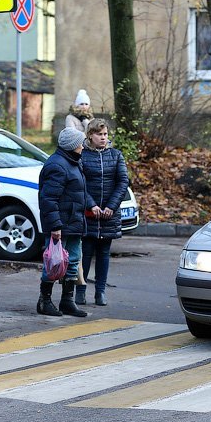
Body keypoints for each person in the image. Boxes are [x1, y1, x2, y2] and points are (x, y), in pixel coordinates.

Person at [36, 127, 89, 318]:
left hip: (74, 223)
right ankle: (44, 301)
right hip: (61, 225)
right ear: (72, 146)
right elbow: (48, 199)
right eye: (80, 143)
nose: (82, 146)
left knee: (73, 261)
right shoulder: (57, 166)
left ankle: (67, 301)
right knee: (53, 263)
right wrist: (55, 226)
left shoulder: (73, 162)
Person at [77, 119, 130, 307]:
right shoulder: (82, 155)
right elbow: (79, 183)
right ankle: (80, 291)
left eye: (105, 134)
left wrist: (111, 206)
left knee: (104, 253)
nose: (103, 138)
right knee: (85, 252)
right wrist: (91, 205)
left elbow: (123, 182)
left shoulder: (116, 155)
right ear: (90, 135)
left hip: (108, 213)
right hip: (89, 213)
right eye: (99, 134)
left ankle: (100, 292)